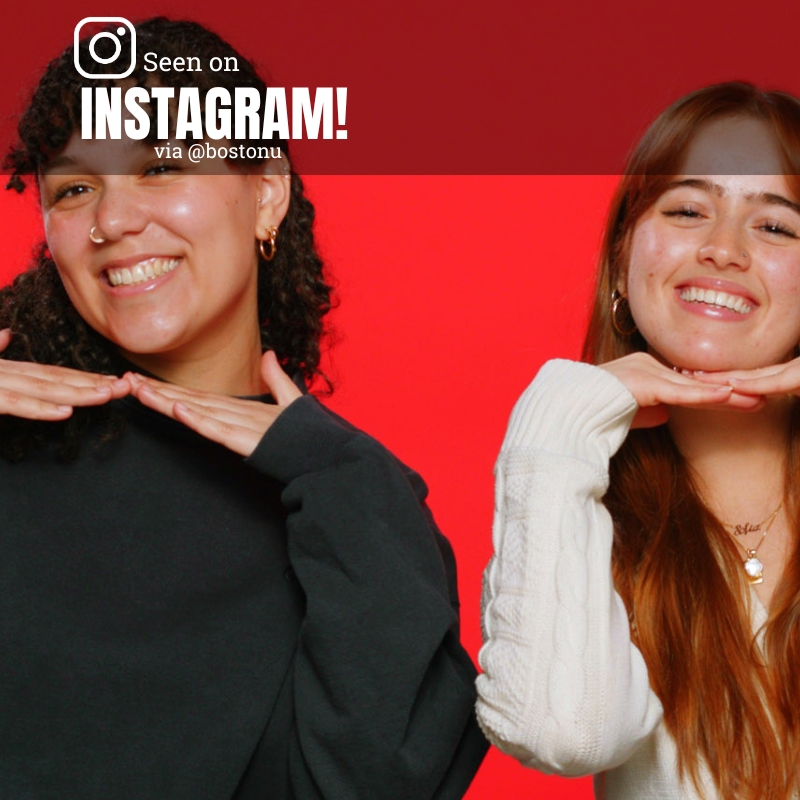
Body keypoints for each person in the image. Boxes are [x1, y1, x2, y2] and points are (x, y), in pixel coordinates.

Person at [0, 17, 487, 800]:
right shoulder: (11, 449)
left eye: (159, 166)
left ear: (264, 196)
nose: (113, 221)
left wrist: (337, 472)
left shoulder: (355, 501)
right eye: (75, 188)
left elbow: (374, 782)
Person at [476, 81, 800, 800]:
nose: (723, 249)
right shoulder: (573, 509)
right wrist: (562, 412)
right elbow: (563, 733)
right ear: (624, 255)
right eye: (687, 211)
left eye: (776, 227)